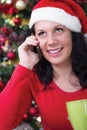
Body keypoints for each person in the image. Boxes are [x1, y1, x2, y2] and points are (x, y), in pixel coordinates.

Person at [0, 0, 87, 130]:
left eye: (58, 30)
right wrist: (25, 64)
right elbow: (2, 122)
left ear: (73, 35)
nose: (51, 41)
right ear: (35, 39)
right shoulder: (34, 77)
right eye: (42, 33)